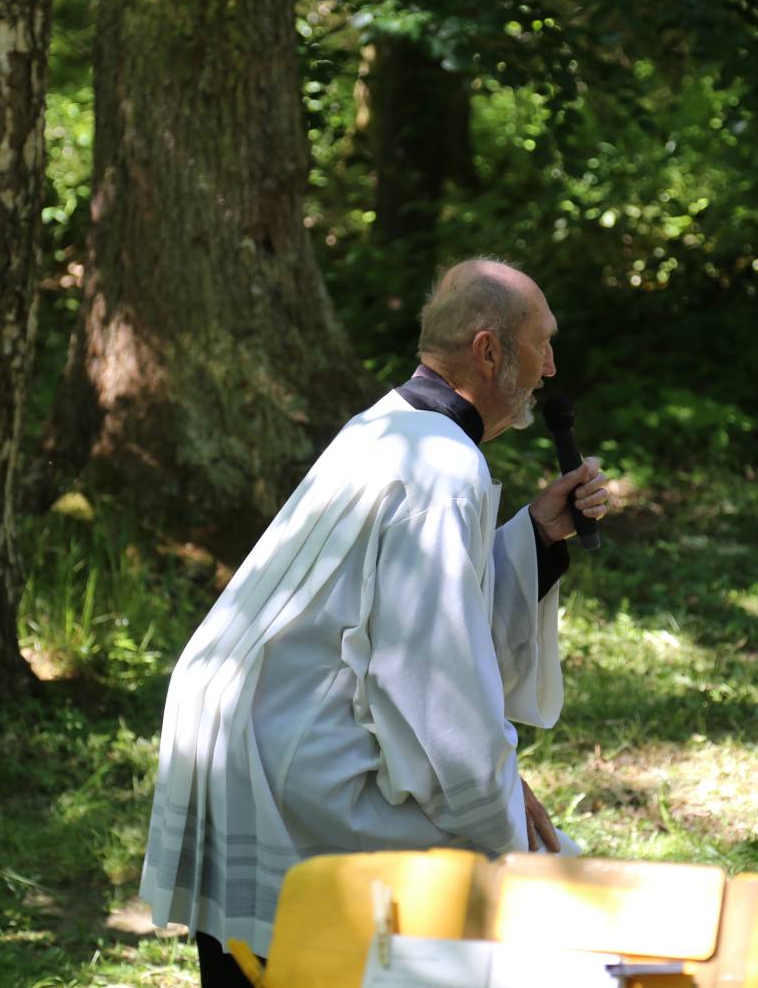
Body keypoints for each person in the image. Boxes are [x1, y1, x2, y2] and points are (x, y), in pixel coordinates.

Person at [137, 258, 609, 986]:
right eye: (540, 344)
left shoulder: (391, 428)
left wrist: (539, 539)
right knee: (538, 906)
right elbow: (436, 686)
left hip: (239, 725)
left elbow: (412, 612)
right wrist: (500, 811)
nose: (550, 366)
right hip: (291, 755)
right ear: (489, 351)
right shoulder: (442, 471)